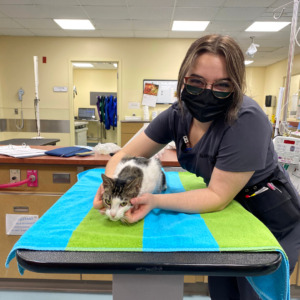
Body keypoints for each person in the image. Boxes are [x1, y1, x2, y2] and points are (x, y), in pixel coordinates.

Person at [93, 34, 300, 299]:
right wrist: (110, 185)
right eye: (197, 82)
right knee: (222, 292)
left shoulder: (246, 119)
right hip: (227, 217)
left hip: (268, 218)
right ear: (184, 79)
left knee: (253, 294)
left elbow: (216, 195)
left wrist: (154, 200)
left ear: (235, 86)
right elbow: (122, 155)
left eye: (222, 85)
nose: (207, 93)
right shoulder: (178, 113)